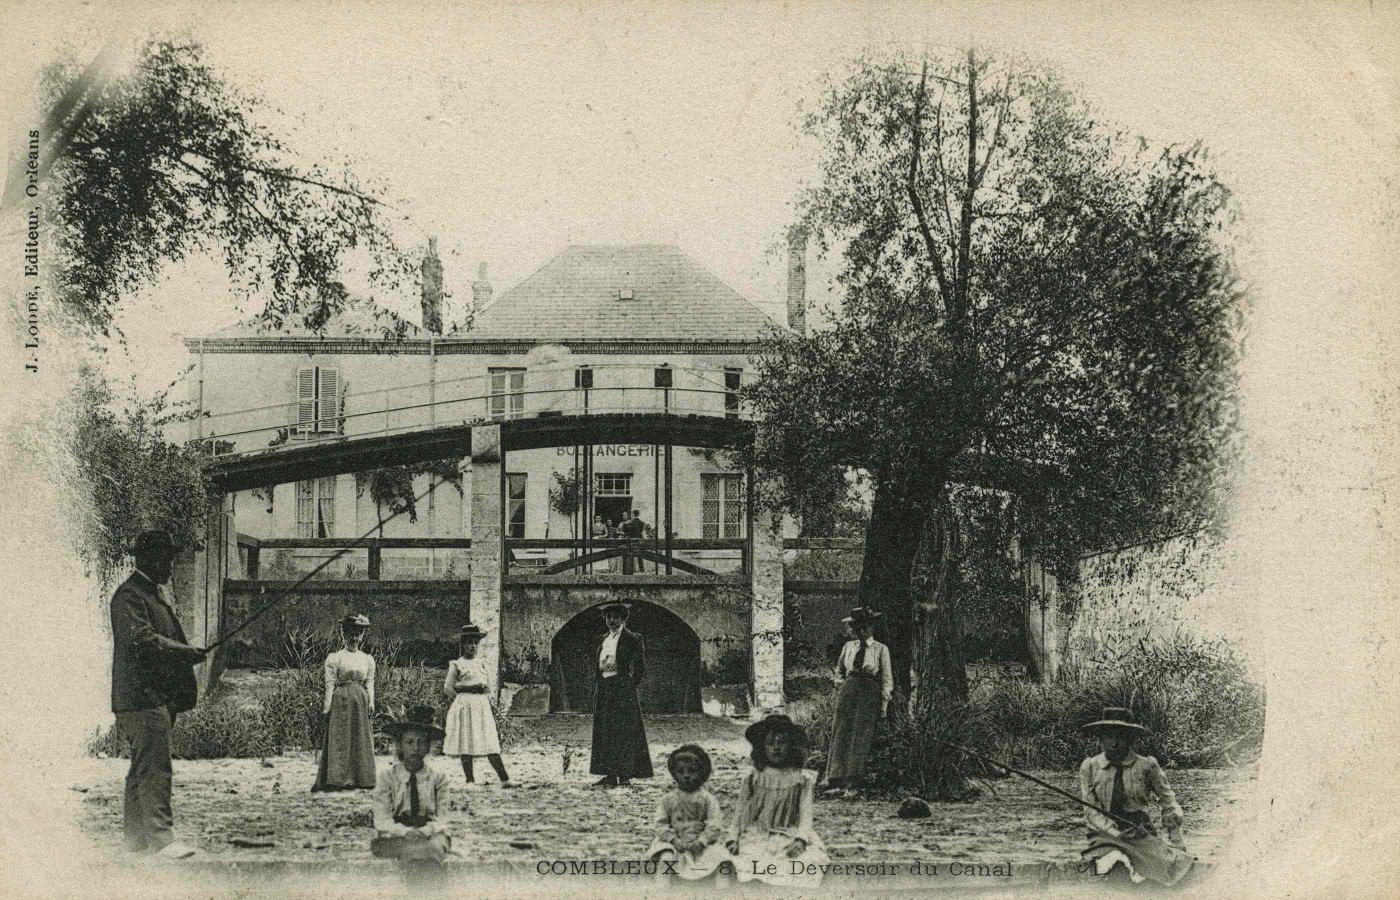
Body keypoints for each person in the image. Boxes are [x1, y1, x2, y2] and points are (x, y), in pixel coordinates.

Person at [110, 530, 209, 860]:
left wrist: (185, 654)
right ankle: (163, 840)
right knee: (155, 769)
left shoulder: (149, 594)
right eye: (165, 558)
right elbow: (143, 641)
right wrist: (185, 652)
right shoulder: (129, 596)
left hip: (152, 698)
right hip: (142, 699)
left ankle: (135, 841)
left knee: (141, 768)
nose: (169, 564)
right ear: (149, 559)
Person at [1078, 707, 1195, 885]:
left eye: (1121, 736)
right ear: (1100, 738)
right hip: (1104, 834)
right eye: (1109, 736)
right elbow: (1090, 810)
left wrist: (1175, 829)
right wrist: (1114, 832)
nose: (1114, 743)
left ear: (1131, 739)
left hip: (1139, 831)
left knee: (1165, 869)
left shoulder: (1147, 766)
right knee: (1111, 864)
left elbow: (1168, 800)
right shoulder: (1090, 767)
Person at [725, 714, 829, 887]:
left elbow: (805, 814)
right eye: (770, 743)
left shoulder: (801, 778)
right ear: (762, 747)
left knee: (801, 862)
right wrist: (732, 838)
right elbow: (740, 812)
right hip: (757, 832)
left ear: (791, 746)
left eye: (782, 743)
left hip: (788, 833)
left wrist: (801, 839)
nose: (776, 748)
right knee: (747, 862)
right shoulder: (753, 777)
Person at [822, 606, 894, 796]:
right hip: (848, 689)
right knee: (841, 730)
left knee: (860, 734)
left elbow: (887, 679)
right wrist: (840, 684)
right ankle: (835, 779)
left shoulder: (880, 649)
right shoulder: (849, 647)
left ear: (872, 627)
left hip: (869, 692)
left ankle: (852, 782)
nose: (861, 631)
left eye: (865, 627)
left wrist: (884, 705)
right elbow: (839, 670)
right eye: (858, 628)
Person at [371, 705, 455, 865]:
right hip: (397, 834)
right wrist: (405, 832)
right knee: (383, 846)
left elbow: (442, 818)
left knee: (435, 847)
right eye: (409, 742)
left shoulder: (438, 779)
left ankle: (424, 857)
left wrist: (424, 831)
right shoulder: (387, 778)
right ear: (400, 745)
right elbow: (382, 819)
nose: (415, 748)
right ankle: (414, 855)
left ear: (428, 747)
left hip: (430, 833)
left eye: (421, 742)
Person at [589, 601, 653, 787]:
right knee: (605, 731)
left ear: (624, 619)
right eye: (608, 617)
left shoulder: (633, 638)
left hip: (622, 688)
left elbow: (640, 667)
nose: (612, 620)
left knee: (624, 731)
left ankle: (625, 775)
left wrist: (629, 685)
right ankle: (609, 774)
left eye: (616, 617)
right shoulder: (602, 640)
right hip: (604, 688)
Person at [312, 613, 377, 792]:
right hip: (341, 700)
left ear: (362, 635)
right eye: (350, 633)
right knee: (341, 737)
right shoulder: (335, 657)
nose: (354, 638)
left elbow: (370, 682)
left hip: (361, 701)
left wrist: (371, 701)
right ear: (343, 634)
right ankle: (338, 778)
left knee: (360, 738)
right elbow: (330, 684)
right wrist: (327, 707)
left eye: (358, 634)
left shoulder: (367, 659)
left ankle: (361, 778)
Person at [443, 623, 512, 788]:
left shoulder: (482, 663)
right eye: (469, 643)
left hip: (481, 706)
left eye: (475, 642)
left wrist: (481, 697)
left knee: (489, 739)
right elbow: (448, 688)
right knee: (466, 741)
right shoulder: (457, 664)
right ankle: (470, 780)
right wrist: (462, 699)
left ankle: (505, 779)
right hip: (465, 705)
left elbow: (487, 686)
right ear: (463, 645)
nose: (472, 646)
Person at [645, 744, 728, 881]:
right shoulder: (668, 799)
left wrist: (702, 841)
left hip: (700, 844)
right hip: (675, 844)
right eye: (681, 771)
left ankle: (723, 892)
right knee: (666, 858)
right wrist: (673, 839)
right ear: (674, 774)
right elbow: (661, 824)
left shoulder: (707, 799)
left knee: (722, 860)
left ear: (701, 772)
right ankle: (660, 890)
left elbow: (714, 824)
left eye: (691, 771)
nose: (686, 775)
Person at [620, 510, 644, 575]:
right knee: (639, 555)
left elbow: (627, 532)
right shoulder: (641, 523)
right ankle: (641, 569)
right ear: (638, 514)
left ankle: (628, 571)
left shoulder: (629, 523)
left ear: (633, 514)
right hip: (638, 540)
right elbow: (640, 531)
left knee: (629, 555)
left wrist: (623, 533)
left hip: (631, 541)